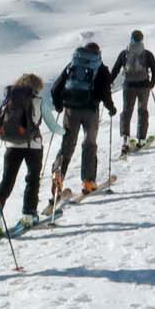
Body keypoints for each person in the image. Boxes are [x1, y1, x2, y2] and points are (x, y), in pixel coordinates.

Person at [0, 73, 62, 234]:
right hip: (33, 146)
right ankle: (29, 214)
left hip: (12, 146)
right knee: (32, 179)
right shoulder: (38, 102)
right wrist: (65, 131)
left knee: (7, 180)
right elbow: (53, 127)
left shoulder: (9, 100)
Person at [50, 41, 116, 196]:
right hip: (90, 111)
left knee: (67, 144)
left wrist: (59, 105)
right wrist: (111, 108)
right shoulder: (101, 68)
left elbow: (55, 89)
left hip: (70, 110)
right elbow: (105, 93)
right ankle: (88, 181)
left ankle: (58, 174)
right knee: (89, 144)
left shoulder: (72, 65)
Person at [113, 29, 155, 152]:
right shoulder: (147, 54)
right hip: (144, 87)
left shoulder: (124, 54)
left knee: (127, 112)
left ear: (131, 39)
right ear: (142, 39)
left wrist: (109, 82)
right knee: (142, 111)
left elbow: (115, 69)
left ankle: (125, 139)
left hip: (129, 86)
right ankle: (141, 140)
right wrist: (151, 84)